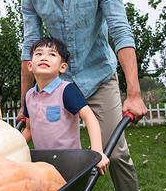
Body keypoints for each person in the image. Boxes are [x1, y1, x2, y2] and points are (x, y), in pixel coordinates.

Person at [18, 0, 148, 191]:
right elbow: (30, 46)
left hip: (98, 77)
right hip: (56, 85)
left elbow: (121, 32)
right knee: (48, 157)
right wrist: (26, 104)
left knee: (116, 156)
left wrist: (134, 93)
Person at [22, 37, 110, 176]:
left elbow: (90, 118)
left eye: (52, 54)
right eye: (38, 54)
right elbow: (29, 130)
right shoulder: (29, 96)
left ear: (62, 67)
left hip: (69, 161)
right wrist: (13, 147)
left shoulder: (66, 90)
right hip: (42, 163)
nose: (44, 57)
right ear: (30, 65)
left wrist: (97, 152)